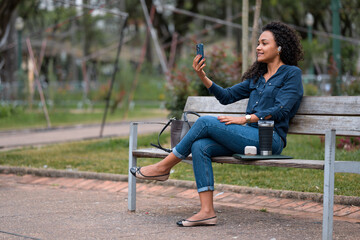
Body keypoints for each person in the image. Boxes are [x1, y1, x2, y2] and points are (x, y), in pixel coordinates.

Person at [130, 21, 304, 227]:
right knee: (200, 146)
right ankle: (207, 212)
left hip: (270, 140)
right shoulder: (257, 77)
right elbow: (227, 96)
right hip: (247, 137)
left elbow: (281, 109)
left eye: (264, 43)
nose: (258, 47)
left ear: (280, 47)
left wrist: (246, 118)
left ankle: (163, 167)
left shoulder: (291, 74)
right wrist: (202, 75)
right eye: (258, 43)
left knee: (204, 123)